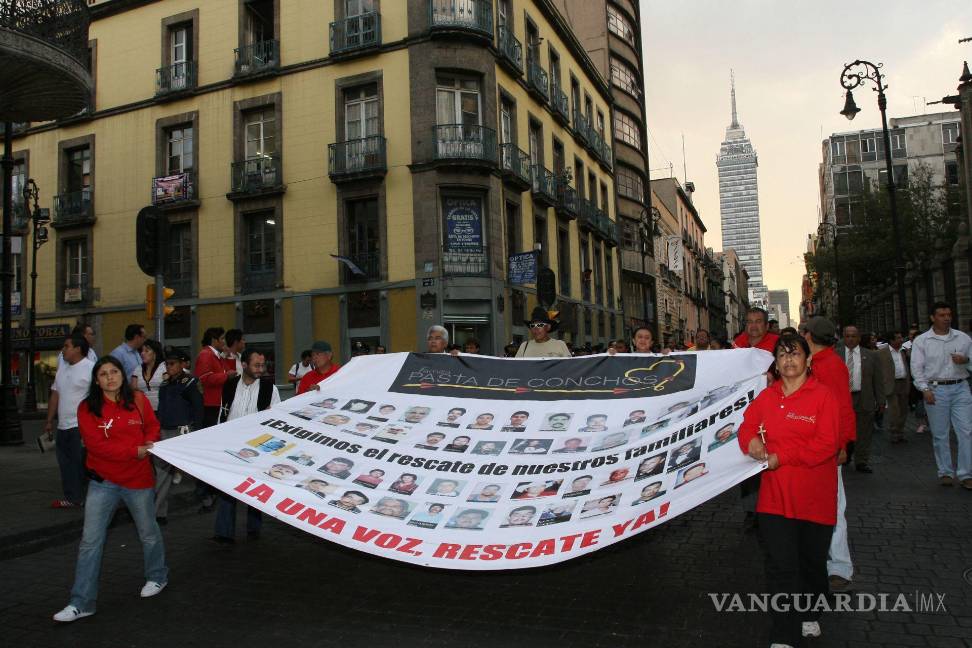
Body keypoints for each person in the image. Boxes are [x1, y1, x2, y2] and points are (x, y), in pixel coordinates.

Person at [737, 333, 841, 647]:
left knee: (811, 565)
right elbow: (745, 427)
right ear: (776, 363)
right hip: (774, 500)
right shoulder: (767, 397)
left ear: (808, 360)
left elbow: (826, 444)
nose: (788, 360)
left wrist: (781, 457)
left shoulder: (823, 396)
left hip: (814, 499)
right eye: (782, 355)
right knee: (781, 567)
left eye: (795, 354)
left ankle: (810, 612)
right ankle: (784, 633)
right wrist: (751, 441)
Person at [53, 356, 167, 623]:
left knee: (148, 533)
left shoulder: (138, 399)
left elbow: (152, 426)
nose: (110, 377)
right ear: (96, 380)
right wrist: (135, 451)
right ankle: (81, 603)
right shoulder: (87, 408)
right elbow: (96, 446)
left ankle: (157, 576)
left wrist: (150, 441)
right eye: (103, 374)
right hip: (103, 482)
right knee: (90, 542)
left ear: (122, 375)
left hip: (138, 480)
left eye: (114, 372)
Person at [800, 316, 857, 592]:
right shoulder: (813, 362)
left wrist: (842, 444)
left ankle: (840, 567)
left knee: (833, 505)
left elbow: (842, 407)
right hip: (810, 446)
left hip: (826, 447)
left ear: (809, 336)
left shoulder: (830, 366)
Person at [213, 349, 281, 545]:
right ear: (243, 365)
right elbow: (223, 412)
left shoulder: (270, 389)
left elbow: (277, 419)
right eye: (256, 365)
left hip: (257, 445)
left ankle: (254, 528)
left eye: (263, 365)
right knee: (226, 486)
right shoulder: (230, 385)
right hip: (231, 443)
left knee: (254, 487)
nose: (261, 369)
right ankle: (224, 532)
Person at [910, 301, 972, 488]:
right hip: (935, 389)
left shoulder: (963, 338)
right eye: (942, 315)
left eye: (949, 315)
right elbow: (916, 368)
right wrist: (924, 389)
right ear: (932, 318)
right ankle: (945, 471)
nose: (946, 319)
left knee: (966, 431)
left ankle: (966, 474)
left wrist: (966, 360)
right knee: (940, 434)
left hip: (960, 387)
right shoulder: (922, 341)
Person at [153, 347, 203, 524]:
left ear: (182, 364)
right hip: (166, 431)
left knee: (198, 470)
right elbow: (161, 409)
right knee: (162, 473)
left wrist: (198, 431)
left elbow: (198, 409)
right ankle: (159, 513)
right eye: (167, 364)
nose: (169, 367)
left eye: (172, 363)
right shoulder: (165, 385)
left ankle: (207, 497)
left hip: (184, 431)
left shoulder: (190, 383)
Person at [45, 334, 96, 508]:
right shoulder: (62, 369)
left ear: (78, 349)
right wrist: (49, 420)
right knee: (65, 463)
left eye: (67, 346)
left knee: (80, 463)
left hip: (80, 426)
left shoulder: (91, 368)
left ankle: (86, 497)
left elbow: (98, 397)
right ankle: (72, 498)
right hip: (62, 426)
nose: (63, 350)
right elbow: (55, 394)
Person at [835, 325, 882, 473]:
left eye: (853, 336)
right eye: (847, 336)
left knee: (864, 432)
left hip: (864, 397)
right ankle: (846, 454)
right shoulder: (835, 355)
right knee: (843, 430)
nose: (850, 339)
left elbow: (877, 379)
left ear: (859, 338)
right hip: (842, 399)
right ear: (843, 337)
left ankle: (861, 461)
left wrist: (881, 400)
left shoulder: (871, 355)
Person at [885, 331, 911, 444]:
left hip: (903, 383)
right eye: (898, 338)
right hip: (891, 384)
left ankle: (901, 432)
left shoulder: (904, 351)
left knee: (904, 409)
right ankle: (894, 432)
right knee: (894, 409)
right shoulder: (883, 353)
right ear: (891, 340)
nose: (901, 340)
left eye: (901, 337)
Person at [110, 323, 147, 388]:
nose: (145, 340)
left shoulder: (137, 352)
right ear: (137, 337)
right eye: (144, 337)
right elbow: (112, 375)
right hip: (125, 392)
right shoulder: (118, 353)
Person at [133, 339, 166, 412]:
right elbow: (133, 389)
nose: (142, 353)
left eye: (146, 351)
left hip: (162, 409)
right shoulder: (138, 369)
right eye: (142, 351)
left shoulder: (164, 367)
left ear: (155, 353)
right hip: (144, 409)